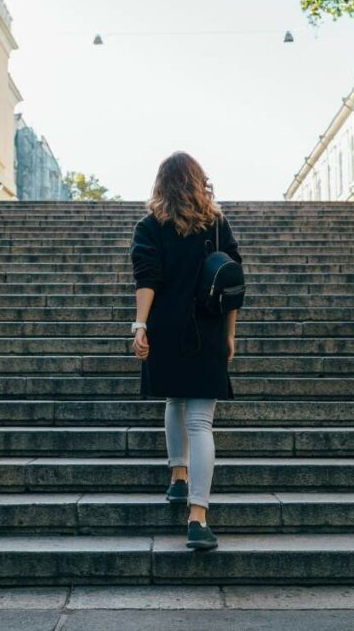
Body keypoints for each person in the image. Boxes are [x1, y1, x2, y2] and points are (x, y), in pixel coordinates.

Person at [129, 151, 243, 550]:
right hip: (208, 330)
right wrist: (230, 335)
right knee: (201, 424)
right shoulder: (216, 226)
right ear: (199, 181)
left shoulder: (149, 226)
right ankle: (197, 517)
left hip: (166, 329)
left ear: (161, 184)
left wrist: (140, 325)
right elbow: (232, 286)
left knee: (175, 398)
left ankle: (178, 477)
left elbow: (147, 278)